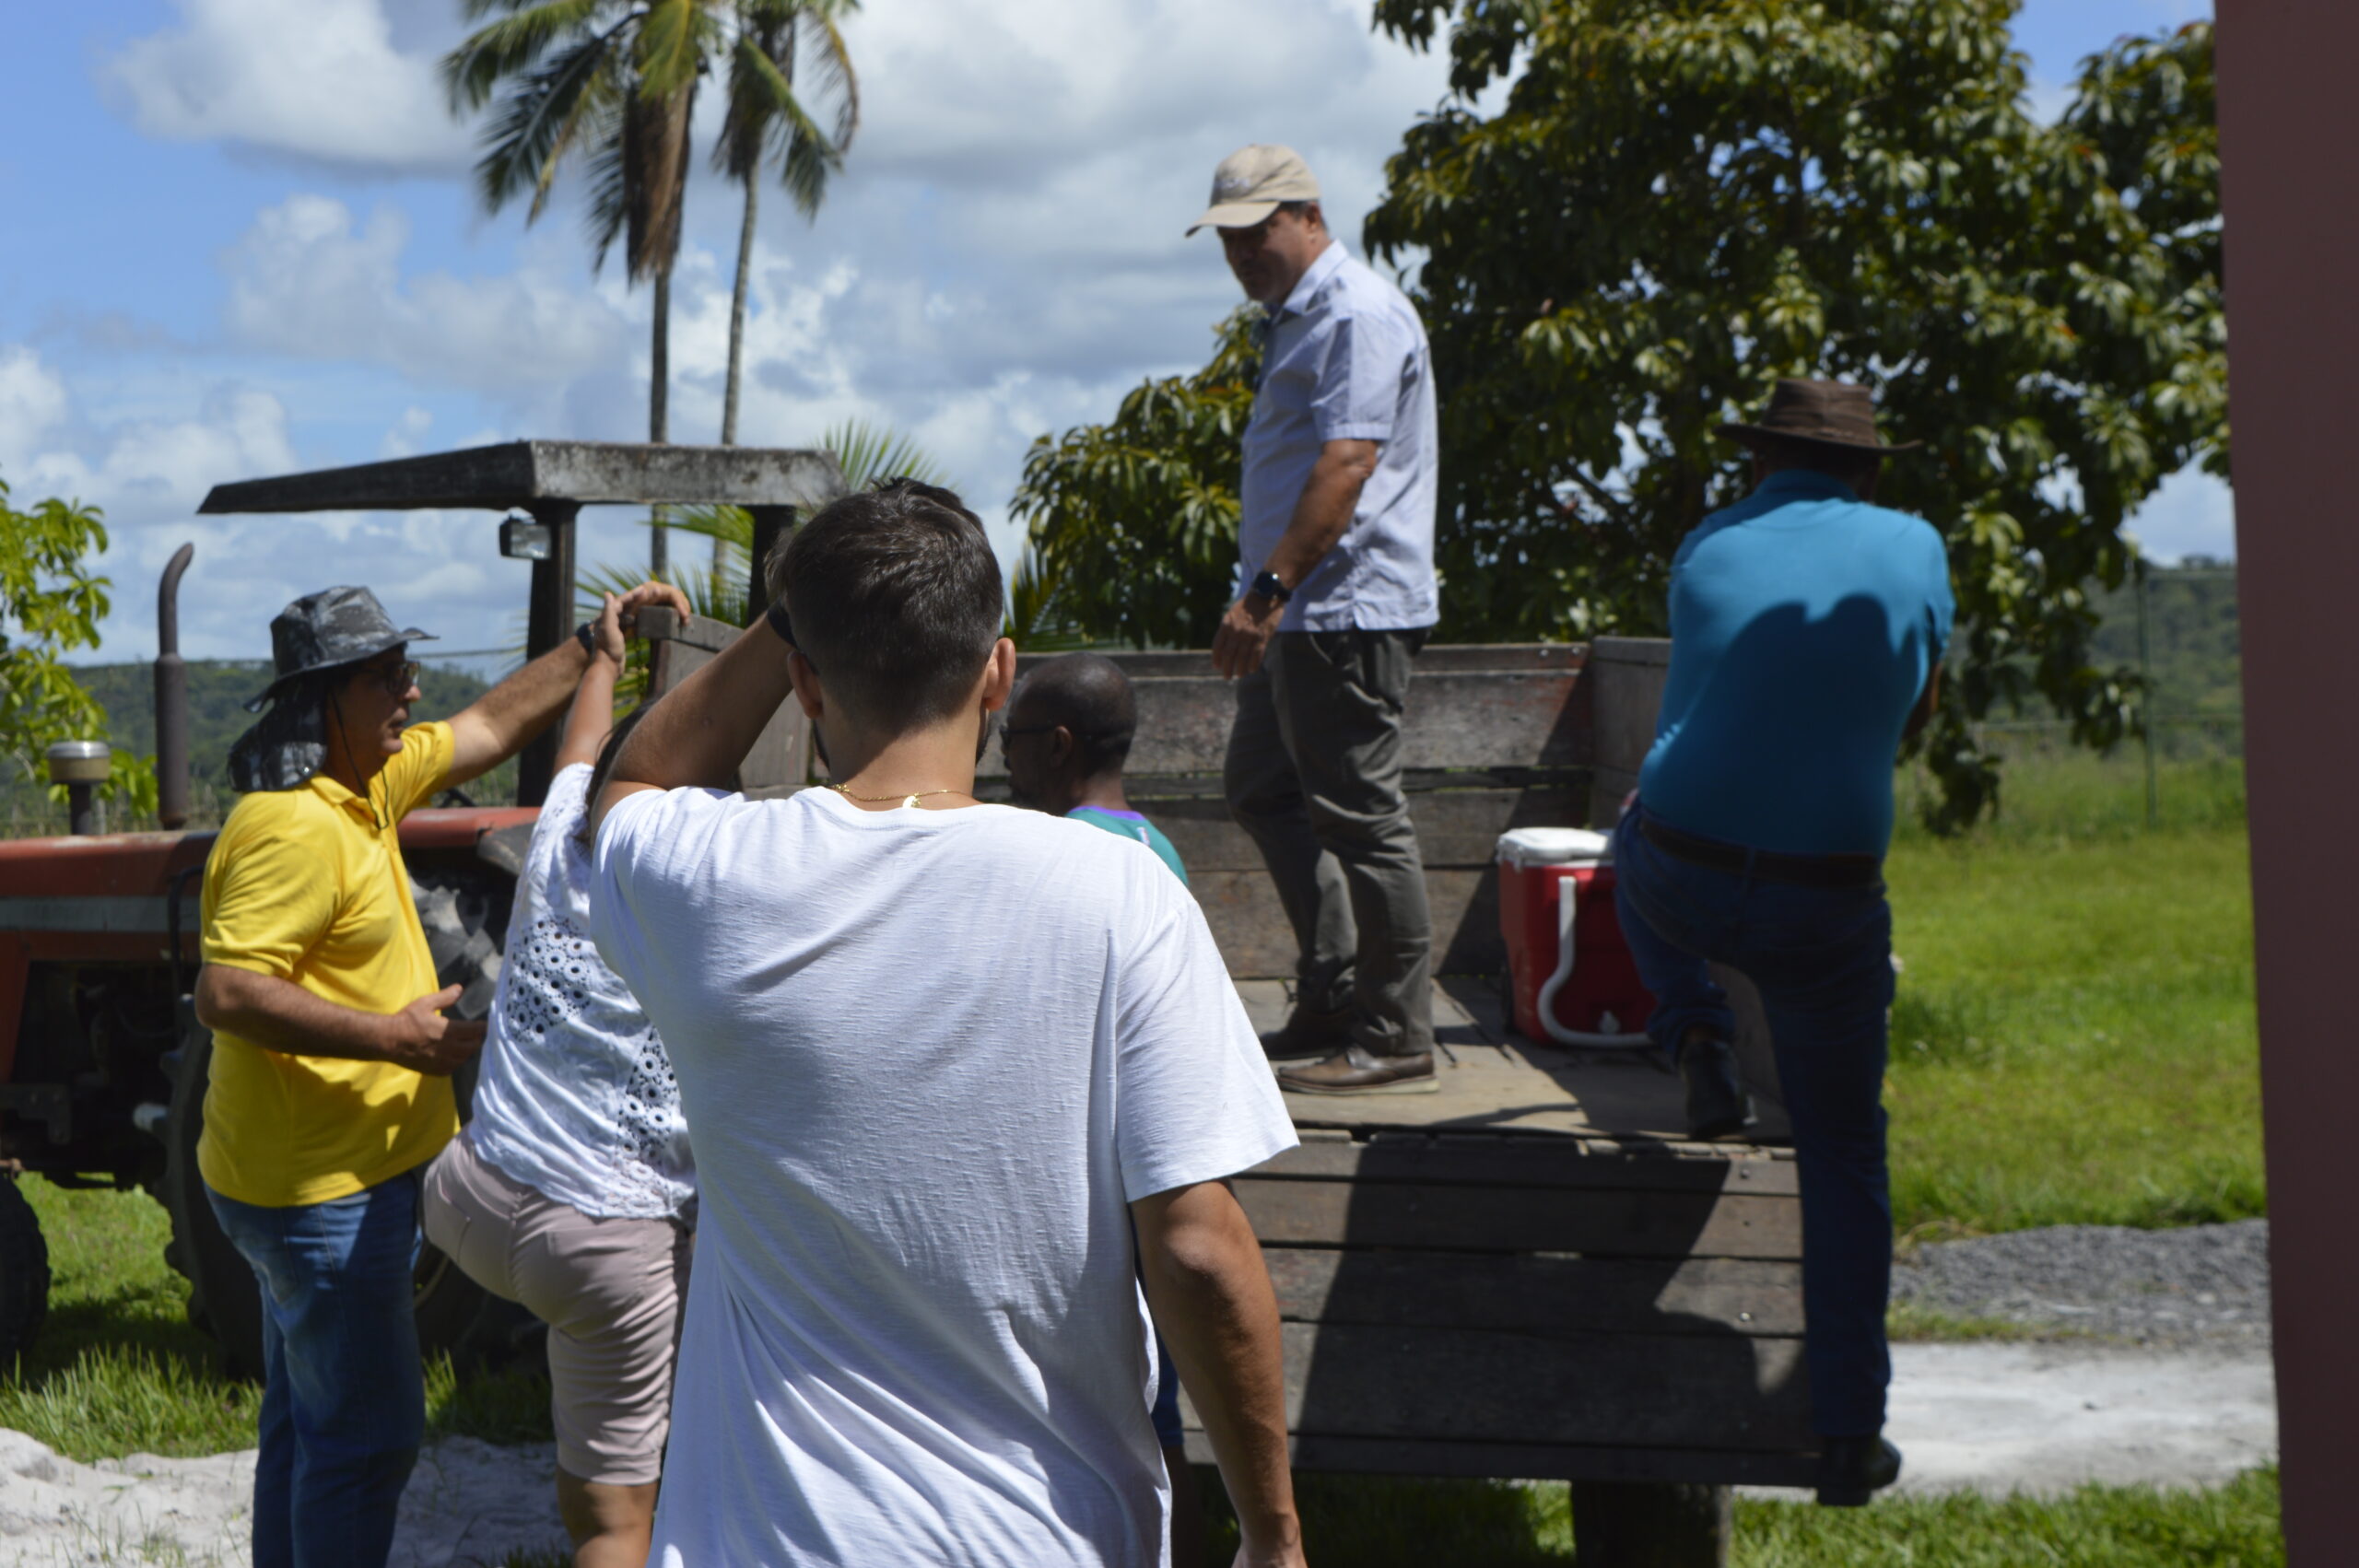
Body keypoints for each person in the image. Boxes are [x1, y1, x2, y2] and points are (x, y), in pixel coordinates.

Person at [587, 480, 1308, 1568]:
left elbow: (632, 775)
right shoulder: (1119, 893)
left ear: (803, 687)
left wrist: (799, 608)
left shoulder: (711, 879)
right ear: (999, 676)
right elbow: (1199, 1247)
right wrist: (1274, 1538)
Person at [194, 579, 677, 1568]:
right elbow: (226, 994)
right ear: (323, 699)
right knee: (364, 1442)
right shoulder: (291, 826)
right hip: (321, 1198)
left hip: (307, 1183)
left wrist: (596, 643)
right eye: (387, 677)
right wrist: (391, 1041)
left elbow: (490, 723)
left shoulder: (361, 784)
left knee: (307, 1422)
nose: (410, 692)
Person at [1608, 379, 1954, 1508]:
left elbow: (1707, 688)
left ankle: (1695, 1030)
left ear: (1758, 461)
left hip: (1687, 873)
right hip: (1826, 899)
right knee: (1844, 1152)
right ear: (1869, 469)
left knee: (1629, 839)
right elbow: (1915, 711)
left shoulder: (1706, 542)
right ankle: (1850, 1437)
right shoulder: (1917, 547)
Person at [419, 585, 694, 1568]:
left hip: (469, 1196)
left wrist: (608, 655)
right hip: (600, 1249)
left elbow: (582, 748)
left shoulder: (554, 848)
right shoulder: (703, 911)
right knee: (613, 1525)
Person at [1190, 143, 1441, 1096]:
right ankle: (1334, 993)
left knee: (1362, 816)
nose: (1243, 253)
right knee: (1260, 785)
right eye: (1228, 240)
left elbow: (1345, 465)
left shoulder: (1353, 313)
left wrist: (1265, 592)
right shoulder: (1300, 319)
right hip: (1305, 611)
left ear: (1306, 214)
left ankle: (1392, 1029)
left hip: (1341, 607)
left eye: (1257, 232)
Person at [999, 650, 1202, 1564]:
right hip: (1145, 1170)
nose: (1001, 760)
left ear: (1060, 745)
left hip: (1075, 1182)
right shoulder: (1159, 850)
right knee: (1152, 1404)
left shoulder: (1057, 856)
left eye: (1012, 740)